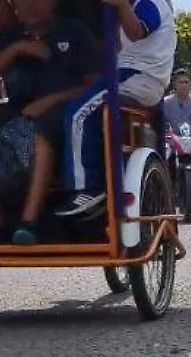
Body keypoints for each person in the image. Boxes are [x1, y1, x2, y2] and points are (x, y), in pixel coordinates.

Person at [0, 0, 100, 243]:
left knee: (43, 129)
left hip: (65, 108)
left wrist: (51, 100)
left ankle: (29, 221)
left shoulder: (74, 31)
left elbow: (94, 83)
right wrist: (16, 49)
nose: (29, 5)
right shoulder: (8, 36)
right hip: (18, 107)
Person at [57, 0, 175, 218]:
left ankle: (87, 188)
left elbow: (137, 32)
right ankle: (100, 176)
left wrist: (120, 6)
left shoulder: (153, 3)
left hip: (138, 76)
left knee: (77, 114)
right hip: (136, 75)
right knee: (84, 106)